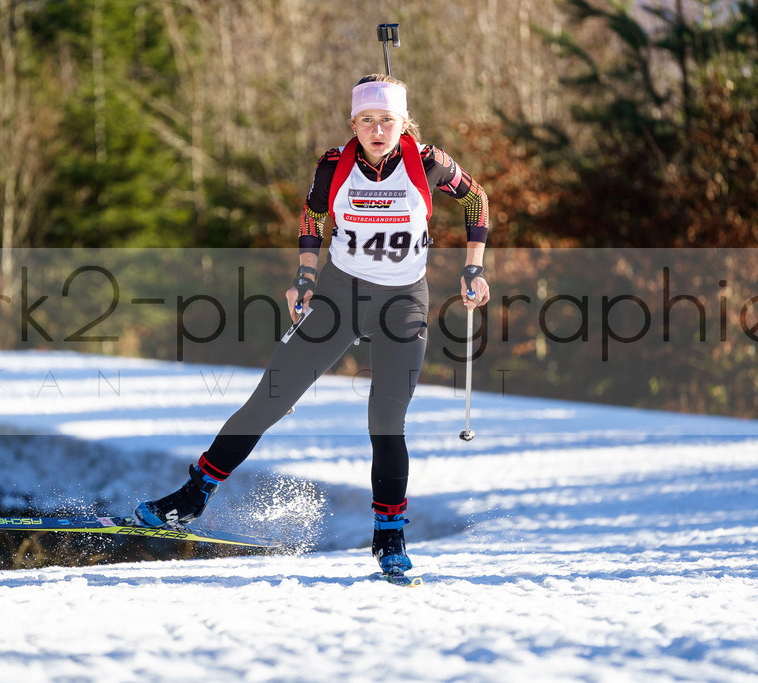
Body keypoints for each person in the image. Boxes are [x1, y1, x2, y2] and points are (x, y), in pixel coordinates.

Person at [134, 75, 491, 573]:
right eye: (367, 120)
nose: (377, 130)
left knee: (386, 422)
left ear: (404, 122)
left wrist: (473, 268)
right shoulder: (333, 165)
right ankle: (193, 497)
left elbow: (476, 200)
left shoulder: (429, 162)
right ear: (353, 123)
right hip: (340, 297)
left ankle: (389, 535)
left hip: (403, 303)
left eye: (387, 120)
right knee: (271, 396)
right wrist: (304, 277)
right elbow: (311, 215)